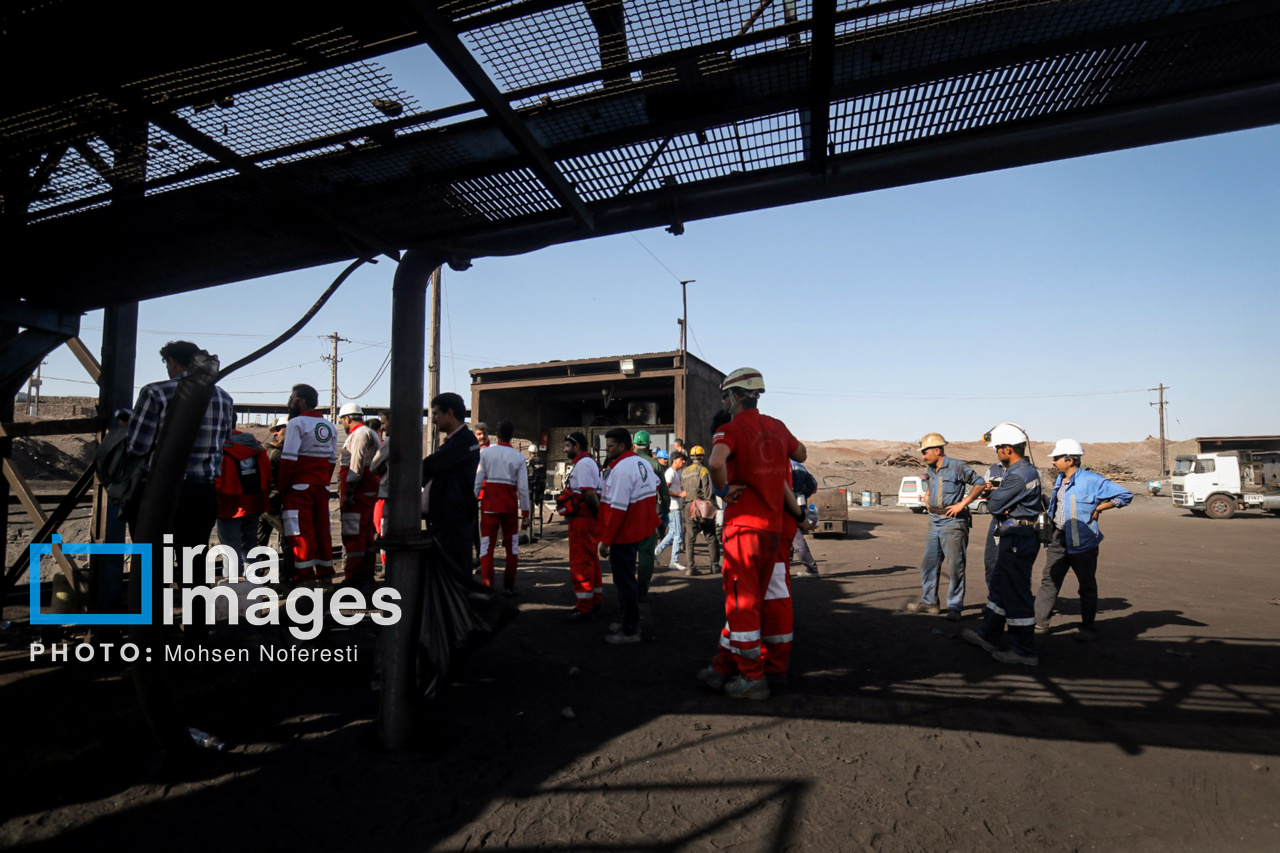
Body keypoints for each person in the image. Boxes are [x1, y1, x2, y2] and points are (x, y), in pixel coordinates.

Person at [699, 367, 805, 700]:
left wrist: (723, 490)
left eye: (725, 397)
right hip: (774, 529)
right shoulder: (777, 427)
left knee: (741, 602)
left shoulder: (729, 430)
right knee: (772, 600)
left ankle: (752, 676)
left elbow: (716, 463)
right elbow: (800, 455)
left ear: (733, 396)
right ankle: (741, 667)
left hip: (744, 528)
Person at [125, 341, 236, 637]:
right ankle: (197, 636)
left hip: (159, 493)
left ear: (172, 362)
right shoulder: (223, 398)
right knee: (194, 565)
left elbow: (137, 446)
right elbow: (222, 440)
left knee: (154, 569)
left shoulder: (155, 392)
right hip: (201, 493)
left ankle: (157, 639)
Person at [1034, 439, 1133, 641]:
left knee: (1086, 586)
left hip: (1084, 544)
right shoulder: (1060, 480)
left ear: (1069, 460)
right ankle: (1040, 623)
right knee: (1049, 581)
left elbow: (1125, 495)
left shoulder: (1092, 480)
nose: (1053, 462)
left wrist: (1099, 508)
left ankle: (1087, 628)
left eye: (1056, 458)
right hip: (1058, 540)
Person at [962, 423, 1043, 666]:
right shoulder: (1020, 472)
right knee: (999, 585)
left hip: (1018, 536)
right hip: (1012, 534)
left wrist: (998, 497)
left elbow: (994, 505)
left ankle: (1024, 650)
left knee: (1016, 592)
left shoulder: (1018, 474)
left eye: (998, 448)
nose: (996, 452)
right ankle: (988, 635)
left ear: (1007, 449)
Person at [908, 432, 986, 621]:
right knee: (929, 564)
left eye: (925, 452)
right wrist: (927, 496)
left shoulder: (957, 466)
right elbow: (931, 484)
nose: (923, 456)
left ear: (937, 450)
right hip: (934, 521)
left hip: (954, 522)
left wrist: (963, 503)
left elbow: (980, 483)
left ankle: (955, 607)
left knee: (955, 566)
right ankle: (930, 603)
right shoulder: (931, 469)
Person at [596, 428, 659, 644]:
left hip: (624, 533)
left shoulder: (622, 469)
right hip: (638, 528)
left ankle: (630, 629)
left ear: (622, 446)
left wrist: (606, 541)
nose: (607, 448)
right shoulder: (643, 463)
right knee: (626, 581)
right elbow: (656, 488)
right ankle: (627, 622)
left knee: (624, 582)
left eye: (611, 444)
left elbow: (619, 508)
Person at [277, 384, 338, 581]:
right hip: (321, 486)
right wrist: (323, 482)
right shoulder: (329, 426)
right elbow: (331, 460)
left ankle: (303, 575)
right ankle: (325, 571)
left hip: (298, 488)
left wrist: (282, 487)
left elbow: (289, 459)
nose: (290, 401)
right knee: (322, 529)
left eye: (292, 397)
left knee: (299, 530)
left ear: (301, 401)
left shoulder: (296, 424)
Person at [421, 393, 482, 578]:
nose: (435, 420)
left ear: (449, 412)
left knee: (454, 572)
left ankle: (458, 605)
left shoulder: (465, 441)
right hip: (445, 517)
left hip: (454, 518)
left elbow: (431, 465)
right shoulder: (454, 442)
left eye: (436, 414)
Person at [473, 420, 530, 595]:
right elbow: (523, 488)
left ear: (496, 435)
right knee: (512, 548)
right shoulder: (519, 457)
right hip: (510, 509)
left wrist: (471, 503)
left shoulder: (486, 454)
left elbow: (477, 483)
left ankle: (487, 585)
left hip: (489, 507)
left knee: (486, 547)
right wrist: (526, 513)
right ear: (512, 436)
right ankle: (509, 586)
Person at [558, 431, 602, 621]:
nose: (565, 449)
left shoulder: (583, 464)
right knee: (592, 559)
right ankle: (595, 597)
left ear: (577, 446)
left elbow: (589, 494)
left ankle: (584, 605)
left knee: (581, 560)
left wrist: (597, 517)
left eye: (568, 446)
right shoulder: (588, 462)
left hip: (582, 519)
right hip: (587, 519)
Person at [214, 429, 270, 577]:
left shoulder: (221, 447)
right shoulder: (258, 448)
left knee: (230, 549)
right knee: (250, 546)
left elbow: (218, 479)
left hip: (229, 505)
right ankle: (253, 587)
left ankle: (232, 590)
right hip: (254, 502)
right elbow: (267, 474)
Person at [337, 402, 381, 587]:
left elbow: (355, 467)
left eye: (342, 421)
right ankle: (366, 575)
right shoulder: (367, 433)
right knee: (365, 534)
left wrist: (349, 493)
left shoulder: (360, 434)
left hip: (358, 492)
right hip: (366, 490)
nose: (343, 425)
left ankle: (353, 578)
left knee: (353, 534)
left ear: (347, 418)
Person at [631, 430, 669, 598]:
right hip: (648, 512)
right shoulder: (654, 464)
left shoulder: (626, 462)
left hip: (629, 513)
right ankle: (642, 588)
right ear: (648, 446)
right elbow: (664, 492)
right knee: (646, 552)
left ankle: (628, 587)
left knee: (628, 551)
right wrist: (665, 510)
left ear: (633, 445)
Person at [256, 417, 289, 569]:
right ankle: (286, 574)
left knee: (259, 542)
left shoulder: (264, 450)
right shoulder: (275, 454)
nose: (276, 433)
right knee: (289, 538)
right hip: (274, 504)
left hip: (263, 503)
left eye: (279, 430)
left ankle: (260, 574)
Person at [681, 445, 719, 576]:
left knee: (689, 539)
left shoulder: (684, 471)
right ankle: (714, 567)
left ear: (691, 457)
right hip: (702, 506)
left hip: (688, 506)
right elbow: (708, 492)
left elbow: (683, 489)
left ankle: (690, 568)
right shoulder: (704, 471)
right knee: (711, 537)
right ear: (702, 457)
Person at [657, 452, 687, 570]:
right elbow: (665, 490)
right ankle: (674, 561)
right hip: (673, 507)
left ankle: (657, 550)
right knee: (678, 534)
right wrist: (679, 495)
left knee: (672, 533)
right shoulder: (670, 473)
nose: (683, 462)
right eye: (681, 459)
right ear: (675, 460)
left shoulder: (676, 472)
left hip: (674, 507)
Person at [790, 459, 820, 577]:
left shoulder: (782, 465)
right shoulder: (800, 466)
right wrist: (803, 494)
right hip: (800, 502)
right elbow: (813, 484)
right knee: (791, 532)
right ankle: (786, 564)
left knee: (795, 535)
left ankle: (811, 567)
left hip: (787, 502)